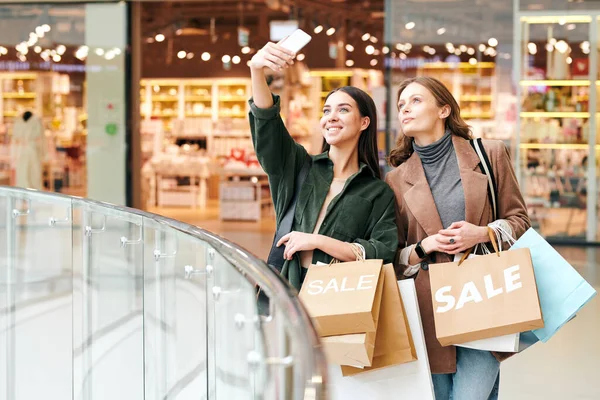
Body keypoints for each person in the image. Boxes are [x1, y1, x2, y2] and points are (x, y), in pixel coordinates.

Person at [385, 77, 530, 400]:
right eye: (401, 105)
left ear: (444, 109)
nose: (405, 109)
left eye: (416, 101)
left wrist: (484, 232)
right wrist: (425, 247)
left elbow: (519, 219)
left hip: (485, 297)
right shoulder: (396, 179)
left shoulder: (489, 154)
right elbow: (394, 254)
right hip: (429, 309)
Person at [248, 41, 397, 290]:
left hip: (338, 298)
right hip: (289, 293)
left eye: (343, 110)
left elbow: (382, 251)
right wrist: (256, 70)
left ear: (364, 122)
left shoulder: (376, 192)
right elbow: (268, 124)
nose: (332, 117)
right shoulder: (298, 167)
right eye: (327, 110)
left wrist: (319, 242)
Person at [11, 111, 45, 190]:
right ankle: (23, 191)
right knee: (23, 172)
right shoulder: (18, 122)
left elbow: (42, 139)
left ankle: (35, 191)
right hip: (23, 151)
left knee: (34, 172)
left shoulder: (36, 121)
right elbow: (15, 138)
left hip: (32, 150)